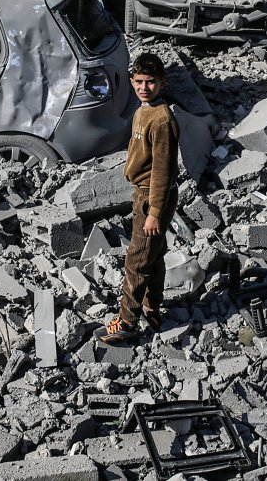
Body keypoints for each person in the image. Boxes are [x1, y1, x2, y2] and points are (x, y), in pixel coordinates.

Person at [96, 53, 180, 344]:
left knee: (137, 259)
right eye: (140, 82)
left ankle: (127, 322)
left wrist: (155, 210)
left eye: (151, 83)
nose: (145, 87)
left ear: (162, 83)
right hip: (142, 192)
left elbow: (163, 170)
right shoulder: (142, 110)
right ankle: (152, 306)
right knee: (153, 254)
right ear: (132, 82)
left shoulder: (162, 120)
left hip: (152, 196)